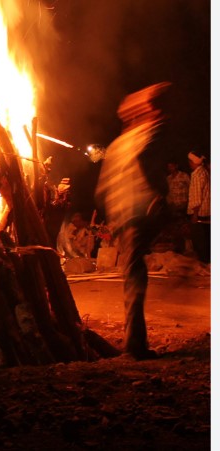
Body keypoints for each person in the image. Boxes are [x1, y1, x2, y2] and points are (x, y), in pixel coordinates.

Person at [96, 81, 171, 360]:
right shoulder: (132, 141)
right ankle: (134, 344)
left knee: (133, 275)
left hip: (136, 215)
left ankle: (134, 346)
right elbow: (106, 186)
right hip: (134, 214)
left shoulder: (127, 142)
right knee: (133, 273)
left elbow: (103, 189)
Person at [187, 151, 210, 263]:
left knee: (200, 241)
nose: (189, 164)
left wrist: (194, 214)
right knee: (207, 239)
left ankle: (204, 262)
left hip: (199, 213)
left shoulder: (196, 174)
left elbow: (196, 197)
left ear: (193, 162)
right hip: (206, 211)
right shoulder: (204, 172)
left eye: (190, 161)